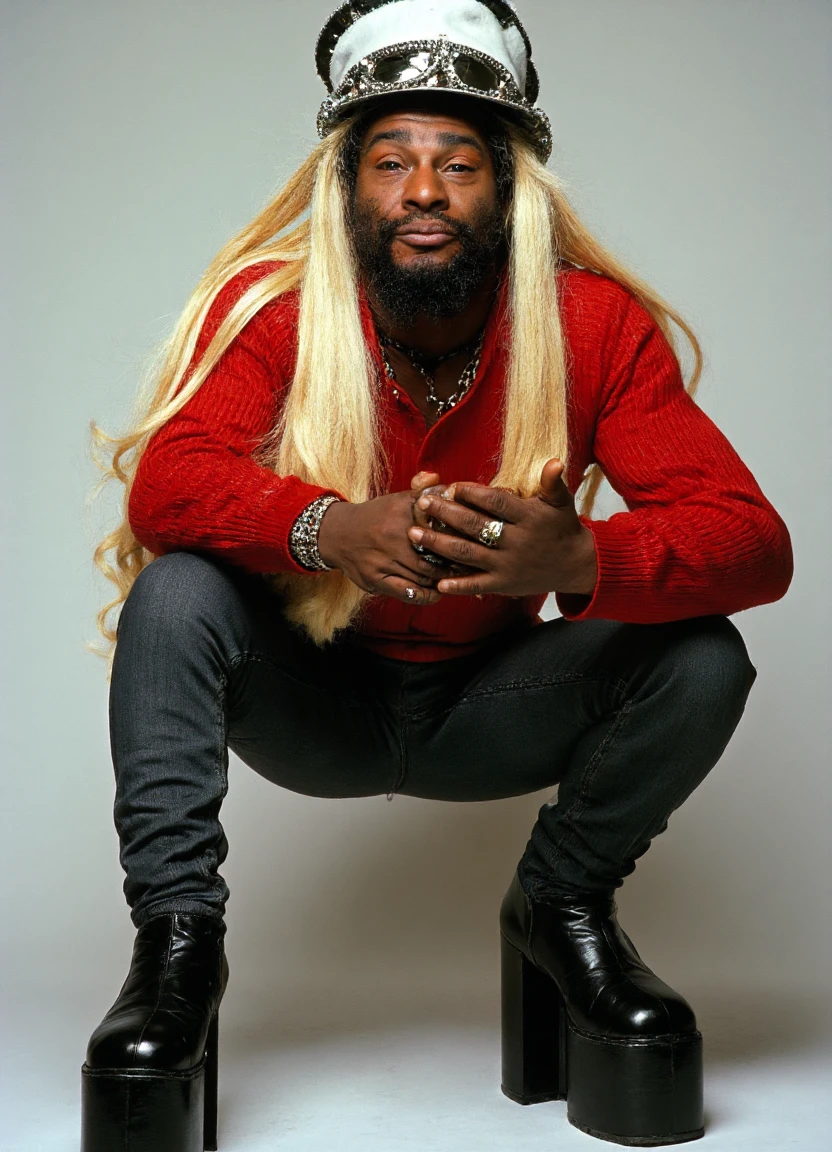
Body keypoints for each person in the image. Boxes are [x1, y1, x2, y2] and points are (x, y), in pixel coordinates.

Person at [82, 2, 793, 1149]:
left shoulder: (594, 326)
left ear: (504, 189)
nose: (422, 190)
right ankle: (175, 954)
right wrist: (324, 529)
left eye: (457, 162)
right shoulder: (275, 309)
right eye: (391, 161)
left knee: (703, 653)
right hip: (319, 698)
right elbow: (166, 487)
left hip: (489, 709)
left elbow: (754, 544)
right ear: (349, 189)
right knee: (174, 593)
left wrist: (583, 555)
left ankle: (559, 907)